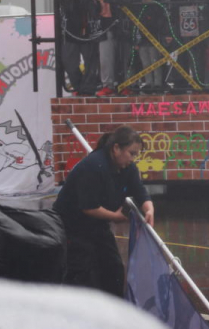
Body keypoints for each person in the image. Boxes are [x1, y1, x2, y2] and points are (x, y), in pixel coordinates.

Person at [53, 126, 154, 297]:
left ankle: (113, 311)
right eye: (131, 153)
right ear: (116, 149)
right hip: (70, 226)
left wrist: (149, 208)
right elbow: (88, 207)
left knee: (113, 268)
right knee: (82, 271)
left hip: (96, 226)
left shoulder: (128, 168)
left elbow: (140, 191)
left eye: (136, 154)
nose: (133, 158)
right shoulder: (93, 166)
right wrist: (116, 217)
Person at [58, 0, 100, 95]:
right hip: (70, 27)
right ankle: (78, 86)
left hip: (86, 26)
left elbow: (90, 3)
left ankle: (87, 89)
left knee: (90, 61)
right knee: (69, 61)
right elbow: (62, 3)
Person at [127, 0, 173, 93]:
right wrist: (135, 40)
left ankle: (158, 83)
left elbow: (162, 23)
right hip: (142, 40)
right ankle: (148, 82)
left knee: (155, 61)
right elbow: (135, 25)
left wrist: (162, 37)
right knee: (145, 62)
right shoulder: (137, 6)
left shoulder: (156, 6)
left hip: (154, 39)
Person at [93, 0, 130, 96]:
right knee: (105, 57)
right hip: (106, 24)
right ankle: (107, 85)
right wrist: (96, 4)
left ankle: (127, 84)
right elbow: (97, 6)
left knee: (125, 57)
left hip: (123, 25)